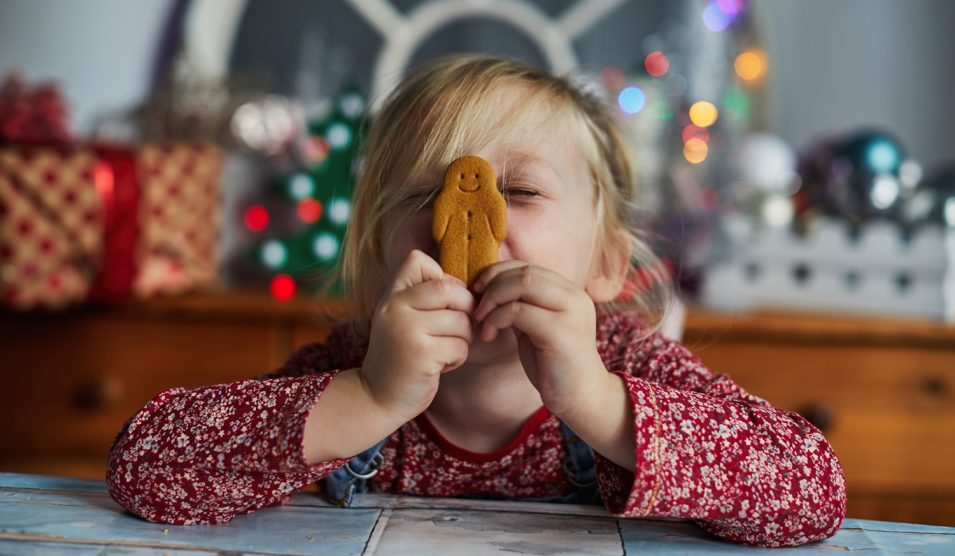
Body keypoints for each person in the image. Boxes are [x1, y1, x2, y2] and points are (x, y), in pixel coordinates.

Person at [106, 55, 845, 547]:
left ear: (605, 265)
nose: (458, 218)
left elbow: (813, 491)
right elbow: (144, 468)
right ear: (376, 257)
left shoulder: (625, 363)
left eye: (519, 192)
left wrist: (596, 399)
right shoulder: (358, 363)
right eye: (422, 194)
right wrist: (366, 396)